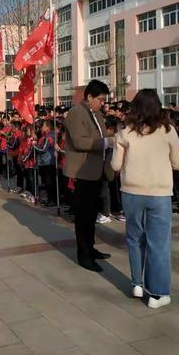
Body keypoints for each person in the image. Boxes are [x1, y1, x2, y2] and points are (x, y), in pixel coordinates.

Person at [111, 89, 179, 309]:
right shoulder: (168, 130)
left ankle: (136, 283)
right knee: (158, 243)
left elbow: (115, 165)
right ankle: (158, 293)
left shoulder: (124, 131)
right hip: (160, 193)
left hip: (131, 192)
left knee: (135, 238)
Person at [64, 79, 114, 273]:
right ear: (89, 97)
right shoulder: (77, 113)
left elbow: (100, 135)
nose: (102, 103)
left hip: (97, 171)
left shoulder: (96, 114)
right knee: (84, 215)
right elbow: (79, 141)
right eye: (100, 99)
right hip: (83, 172)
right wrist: (105, 142)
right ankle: (83, 254)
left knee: (92, 213)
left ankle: (90, 248)